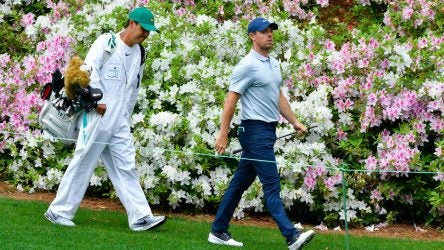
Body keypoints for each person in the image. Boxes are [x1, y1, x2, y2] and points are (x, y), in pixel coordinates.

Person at [44, 7, 166, 231]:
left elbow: (133, 88)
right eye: (143, 29)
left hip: (120, 120)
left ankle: (140, 217)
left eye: (149, 31)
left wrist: (126, 117)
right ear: (131, 24)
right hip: (97, 115)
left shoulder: (141, 53)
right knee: (84, 161)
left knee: (126, 166)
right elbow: (88, 70)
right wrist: (95, 100)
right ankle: (58, 211)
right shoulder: (106, 43)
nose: (146, 34)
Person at [208, 18, 315, 249]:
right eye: (263, 32)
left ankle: (217, 231)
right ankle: (291, 236)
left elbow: (277, 96)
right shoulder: (246, 65)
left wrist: (295, 121)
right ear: (252, 36)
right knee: (271, 184)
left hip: (267, 131)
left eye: (270, 31)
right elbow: (230, 100)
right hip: (254, 132)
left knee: (238, 184)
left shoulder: (273, 63)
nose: (269, 35)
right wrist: (223, 134)